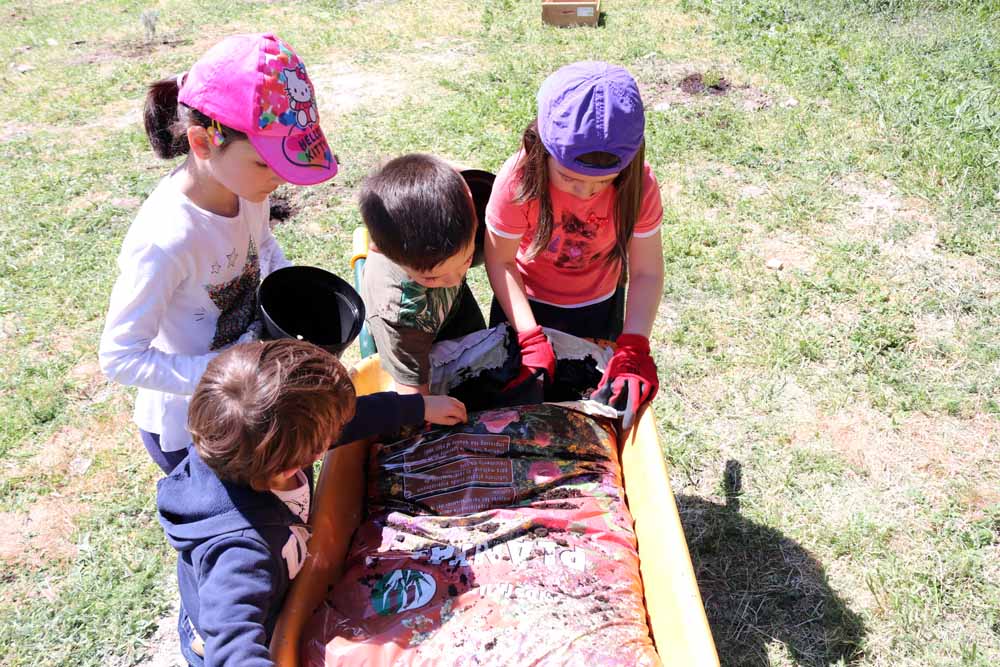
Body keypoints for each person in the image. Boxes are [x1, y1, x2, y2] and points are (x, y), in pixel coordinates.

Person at [99, 33, 338, 473]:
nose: (280, 178)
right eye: (267, 163)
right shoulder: (165, 239)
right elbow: (120, 357)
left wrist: (287, 290)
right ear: (203, 143)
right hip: (196, 428)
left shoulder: (246, 189)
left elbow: (262, 243)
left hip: (251, 404)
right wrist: (222, 372)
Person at [158, 338, 464, 667]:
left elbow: (342, 421)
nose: (339, 430)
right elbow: (231, 649)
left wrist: (416, 408)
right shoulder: (242, 553)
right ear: (297, 459)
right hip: (256, 628)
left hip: (277, 577)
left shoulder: (251, 446)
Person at [484, 61, 665, 428]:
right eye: (568, 178)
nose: (585, 192)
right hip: (524, 307)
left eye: (603, 183)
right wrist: (528, 335)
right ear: (542, 148)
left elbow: (647, 270)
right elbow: (500, 261)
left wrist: (633, 346)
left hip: (598, 307)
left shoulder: (639, 186)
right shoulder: (517, 182)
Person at [359, 153, 486, 396]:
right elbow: (412, 396)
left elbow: (447, 174)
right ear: (379, 248)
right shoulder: (402, 314)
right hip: (414, 342)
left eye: (467, 260)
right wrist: (430, 406)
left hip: (449, 311)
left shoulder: (444, 269)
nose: (454, 280)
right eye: (432, 278)